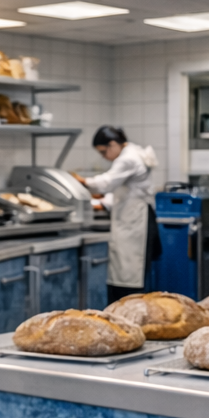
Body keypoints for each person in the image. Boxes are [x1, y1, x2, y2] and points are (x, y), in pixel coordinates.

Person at [74, 126, 161, 302]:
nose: (103, 157)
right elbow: (124, 191)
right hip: (138, 217)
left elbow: (107, 183)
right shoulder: (134, 151)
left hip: (136, 222)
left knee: (130, 275)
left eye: (103, 152)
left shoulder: (128, 158)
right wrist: (103, 204)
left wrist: (82, 181)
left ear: (113, 144)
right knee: (129, 274)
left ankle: (129, 311)